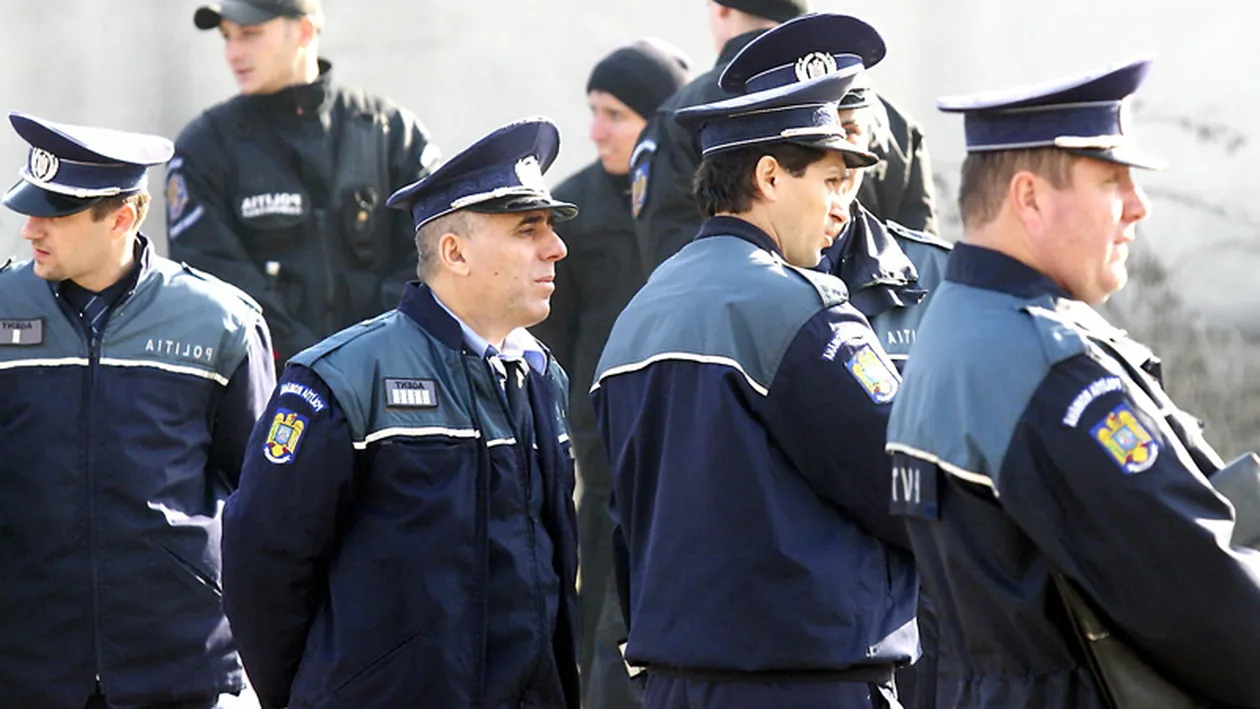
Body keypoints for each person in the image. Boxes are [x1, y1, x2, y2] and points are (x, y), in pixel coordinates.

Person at [885, 57, 1260, 709]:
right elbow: (1203, 596)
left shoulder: (954, 322)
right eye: (1112, 180)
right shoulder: (1044, 365)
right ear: (1029, 197)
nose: (1138, 206)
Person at [592, 44, 916, 709]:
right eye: (829, 181)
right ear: (769, 176)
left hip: (675, 684)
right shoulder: (802, 307)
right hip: (805, 684)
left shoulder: (636, 317)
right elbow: (906, 482)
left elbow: (624, 525)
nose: (840, 209)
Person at [221, 117, 582, 709]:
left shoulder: (541, 376)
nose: (556, 248)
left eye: (550, 227)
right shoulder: (341, 377)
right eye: (527, 229)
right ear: (455, 252)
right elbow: (263, 567)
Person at [0, 112, 275, 709]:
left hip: (180, 664)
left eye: (54, 214)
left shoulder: (222, 323)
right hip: (25, 664)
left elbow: (262, 500)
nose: (29, 229)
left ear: (122, 218)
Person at [714, 16, 950, 708]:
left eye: (849, 130)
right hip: (790, 650)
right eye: (818, 141)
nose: (838, 159)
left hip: (932, 635)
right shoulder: (719, 294)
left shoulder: (939, 280)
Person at [530, 38, 690, 709]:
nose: (596, 130)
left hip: (688, 452)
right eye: (593, 111)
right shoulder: (568, 212)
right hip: (601, 465)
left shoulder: (698, 207)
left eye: (615, 115)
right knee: (600, 620)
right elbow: (545, 347)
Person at [168, 0, 441, 363]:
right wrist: (311, 363)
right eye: (227, 37)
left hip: (388, 369)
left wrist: (370, 351)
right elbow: (210, 277)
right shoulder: (205, 146)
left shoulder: (392, 133)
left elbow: (433, 256)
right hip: (266, 381)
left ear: (304, 31)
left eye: (249, 34)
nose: (233, 53)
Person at [632, 1, 938, 276]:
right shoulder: (895, 123)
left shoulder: (681, 114)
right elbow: (922, 271)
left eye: (848, 133)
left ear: (721, 9)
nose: (839, 159)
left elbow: (675, 267)